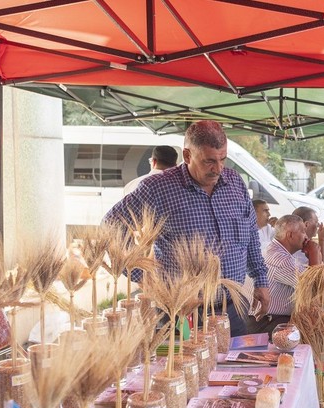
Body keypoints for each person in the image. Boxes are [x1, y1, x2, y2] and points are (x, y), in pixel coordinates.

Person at [103, 120, 269, 336]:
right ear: (188, 155)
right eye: (209, 161)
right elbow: (110, 228)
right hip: (181, 312)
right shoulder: (158, 188)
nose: (218, 169)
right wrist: (141, 276)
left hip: (233, 310)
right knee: (184, 368)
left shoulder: (235, 183)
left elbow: (250, 237)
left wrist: (261, 281)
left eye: (223, 159)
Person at [246, 214, 321, 335]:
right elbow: (316, 288)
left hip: (261, 319)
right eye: (303, 232)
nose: (306, 237)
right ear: (290, 235)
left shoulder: (274, 250)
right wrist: (314, 254)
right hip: (266, 322)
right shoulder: (281, 260)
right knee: (314, 327)